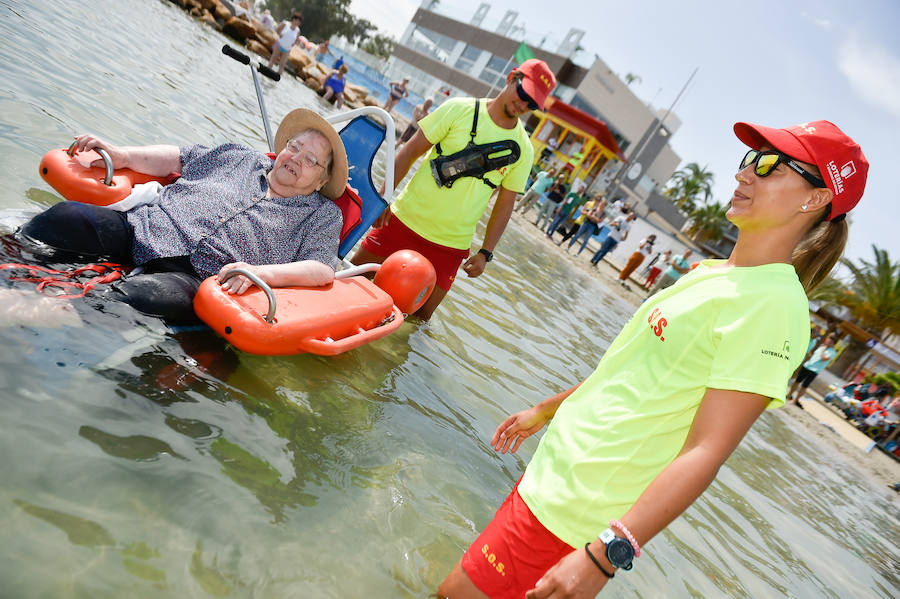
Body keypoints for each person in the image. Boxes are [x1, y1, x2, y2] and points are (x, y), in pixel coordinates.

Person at [437, 119, 868, 599]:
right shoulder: (713, 273)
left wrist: (605, 555)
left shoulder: (772, 306)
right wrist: (547, 409)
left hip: (578, 508)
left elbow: (708, 450)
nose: (745, 174)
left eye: (769, 165)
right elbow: (630, 373)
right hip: (556, 474)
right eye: (749, 160)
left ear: (816, 198)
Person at [18, 108, 349, 323]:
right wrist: (123, 155)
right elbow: (178, 158)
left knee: (131, 299)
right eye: (294, 146)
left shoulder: (321, 215)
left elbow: (321, 270)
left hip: (199, 277)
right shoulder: (239, 157)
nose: (296, 158)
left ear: (321, 180)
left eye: (311, 160)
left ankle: (28, 314)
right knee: (65, 217)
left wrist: (259, 272)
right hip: (146, 228)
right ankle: (13, 264)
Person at [350, 59, 556, 320]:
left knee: (418, 319)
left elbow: (505, 204)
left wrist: (485, 253)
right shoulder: (459, 109)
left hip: (450, 247)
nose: (523, 104)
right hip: (402, 221)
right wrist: (383, 197)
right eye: (523, 93)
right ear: (511, 77)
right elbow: (411, 150)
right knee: (353, 277)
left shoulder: (523, 151)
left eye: (532, 103)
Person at [788, 335, 837, 406]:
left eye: (830, 342)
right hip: (807, 365)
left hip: (814, 370)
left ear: (833, 344)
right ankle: (789, 395)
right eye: (828, 340)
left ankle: (795, 400)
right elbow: (813, 355)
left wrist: (823, 350)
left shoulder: (832, 352)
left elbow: (823, 359)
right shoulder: (821, 347)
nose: (828, 342)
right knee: (797, 381)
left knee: (804, 386)